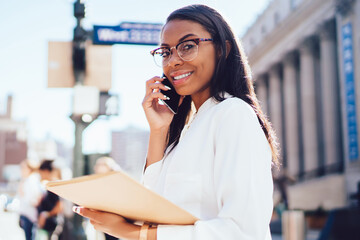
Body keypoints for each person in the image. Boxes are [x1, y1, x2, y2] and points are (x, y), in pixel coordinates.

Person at [73, 4, 279, 240]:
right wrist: (158, 130)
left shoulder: (233, 114)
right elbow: (154, 208)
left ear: (223, 48)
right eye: (166, 52)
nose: (173, 61)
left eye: (188, 46)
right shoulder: (188, 130)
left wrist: (130, 232)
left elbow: (242, 231)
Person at [93, 156, 121, 240]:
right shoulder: (97, 182)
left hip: (115, 218)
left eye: (101, 164)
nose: (96, 167)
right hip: (102, 217)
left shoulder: (116, 181)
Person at [37, 159, 63, 239]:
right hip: (47, 226)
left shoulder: (54, 186)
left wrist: (45, 215)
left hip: (51, 225)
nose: (40, 175)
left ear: (45, 171)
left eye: (41, 173)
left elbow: (59, 207)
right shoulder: (48, 186)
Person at [17, 159, 43, 240]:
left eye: (23, 168)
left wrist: (31, 202)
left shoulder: (32, 180)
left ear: (29, 169)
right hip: (26, 213)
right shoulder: (27, 180)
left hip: (30, 215)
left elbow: (37, 197)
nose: (21, 170)